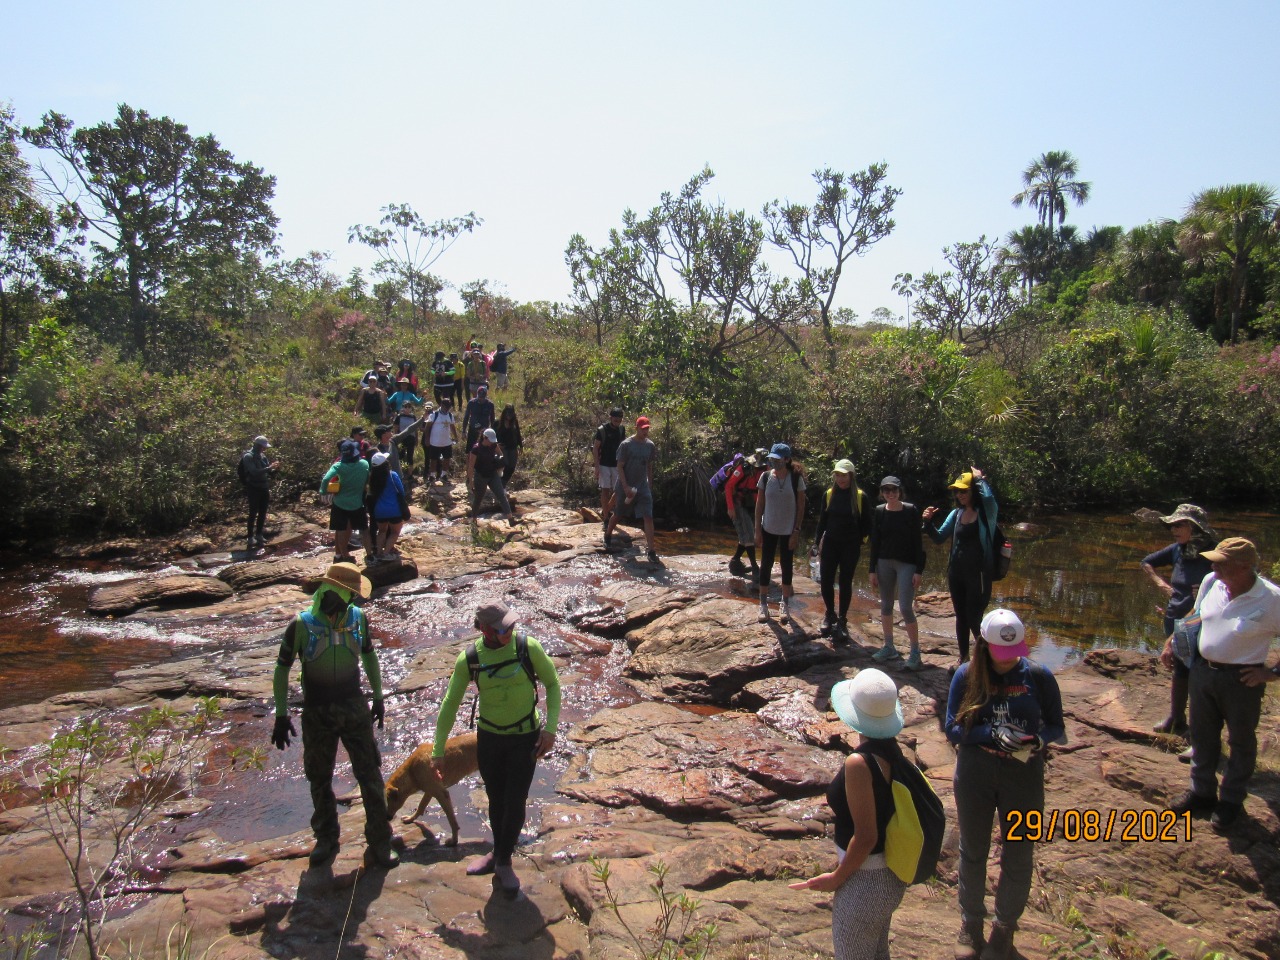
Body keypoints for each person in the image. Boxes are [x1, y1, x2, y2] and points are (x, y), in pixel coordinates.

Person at [946, 609, 1064, 960]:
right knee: (973, 849)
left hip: (1023, 775)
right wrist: (990, 733)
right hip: (975, 773)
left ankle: (1004, 931)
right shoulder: (966, 675)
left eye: (1014, 655)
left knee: (1020, 850)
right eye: (1001, 655)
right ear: (984, 644)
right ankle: (971, 924)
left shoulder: (1039, 676)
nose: (1008, 662)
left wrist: (1037, 741)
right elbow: (952, 727)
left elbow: (1056, 725)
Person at [270, 562, 397, 869]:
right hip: (317, 710)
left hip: (354, 705)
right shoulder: (301, 624)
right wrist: (281, 714)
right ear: (331, 589)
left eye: (354, 594)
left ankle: (380, 841)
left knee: (370, 774)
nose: (353, 599)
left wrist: (378, 697)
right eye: (349, 593)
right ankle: (326, 838)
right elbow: (282, 668)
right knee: (319, 776)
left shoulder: (358, 619)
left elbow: (369, 655)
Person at [431, 601, 561, 893]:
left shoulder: (529, 648)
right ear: (486, 631)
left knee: (515, 801)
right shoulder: (471, 658)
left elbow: (553, 684)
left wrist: (550, 730)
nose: (511, 631)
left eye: (513, 624)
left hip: (525, 737)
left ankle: (503, 860)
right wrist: (438, 751)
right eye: (504, 628)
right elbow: (450, 704)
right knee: (495, 798)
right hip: (489, 739)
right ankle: (498, 852)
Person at [789, 669, 909, 960]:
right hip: (890, 876)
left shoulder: (860, 762)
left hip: (865, 880)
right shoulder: (895, 751)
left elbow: (867, 836)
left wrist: (836, 878)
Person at [1164, 538, 1280, 831]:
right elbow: (1196, 614)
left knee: (1240, 741)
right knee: (1202, 735)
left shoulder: (1271, 598)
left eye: (1220, 562)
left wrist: (1272, 673)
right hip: (1203, 671)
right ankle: (1201, 792)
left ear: (1244, 566)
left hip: (1241, 680)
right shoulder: (1212, 582)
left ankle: (1230, 801)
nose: (1213, 566)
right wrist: (1172, 642)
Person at [1141, 504, 1215, 736]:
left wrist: (1209, 589)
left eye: (1179, 525)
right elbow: (1146, 562)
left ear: (1194, 526)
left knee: (1200, 673)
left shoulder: (1214, 553)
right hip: (1175, 619)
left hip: (1200, 621)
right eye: (1171, 525)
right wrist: (1160, 583)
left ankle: (1200, 726)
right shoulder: (1177, 550)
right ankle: (1176, 719)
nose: (1173, 529)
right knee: (1180, 668)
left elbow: (1237, 576)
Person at [923, 468, 998, 668]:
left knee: (975, 618)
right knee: (961, 617)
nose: (960, 495)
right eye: (957, 491)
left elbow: (989, 500)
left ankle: (988, 661)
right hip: (956, 574)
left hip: (979, 575)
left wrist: (980, 479)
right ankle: (963, 659)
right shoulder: (957, 514)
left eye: (964, 490)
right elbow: (939, 538)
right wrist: (927, 523)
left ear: (973, 490)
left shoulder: (986, 514)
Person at [869, 477, 928, 669]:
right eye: (886, 490)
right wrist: (871, 570)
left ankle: (915, 652)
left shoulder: (910, 510)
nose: (890, 494)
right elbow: (875, 542)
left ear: (899, 491)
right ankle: (889, 647)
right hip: (884, 562)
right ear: (882, 492)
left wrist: (919, 570)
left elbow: (918, 543)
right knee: (885, 605)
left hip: (907, 564)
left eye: (893, 490)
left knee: (905, 607)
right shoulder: (879, 511)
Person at [814, 459, 873, 646]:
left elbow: (867, 524)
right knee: (826, 579)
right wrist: (816, 544)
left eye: (844, 475)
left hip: (850, 546)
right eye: (837, 475)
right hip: (830, 543)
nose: (840, 479)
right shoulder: (829, 494)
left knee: (846, 582)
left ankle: (843, 620)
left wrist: (860, 541)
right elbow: (822, 521)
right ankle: (829, 614)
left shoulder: (860, 496)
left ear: (851, 476)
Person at [754, 443, 806, 624]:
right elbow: (759, 504)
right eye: (772, 459)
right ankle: (763, 604)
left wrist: (796, 531)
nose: (773, 462)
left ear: (786, 459)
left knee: (786, 565)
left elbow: (801, 507)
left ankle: (784, 604)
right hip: (768, 528)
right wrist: (757, 531)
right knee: (766, 564)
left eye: (777, 459)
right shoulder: (766, 476)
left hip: (788, 530)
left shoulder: (795, 479)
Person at [605, 416, 658, 563]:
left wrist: (650, 484)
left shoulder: (650, 445)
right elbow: (620, 466)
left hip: (642, 486)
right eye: (643, 429)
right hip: (625, 485)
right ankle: (608, 535)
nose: (645, 431)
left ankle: (651, 550)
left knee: (648, 516)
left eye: (647, 428)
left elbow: (649, 465)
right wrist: (625, 486)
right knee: (619, 513)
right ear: (637, 428)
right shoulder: (626, 445)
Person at [321, 440, 373, 563]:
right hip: (357, 502)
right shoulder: (364, 464)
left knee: (341, 530)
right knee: (364, 529)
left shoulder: (338, 466)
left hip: (340, 503)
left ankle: (343, 556)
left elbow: (326, 479)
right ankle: (370, 554)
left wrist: (323, 492)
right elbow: (368, 479)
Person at [726, 449, 768, 578]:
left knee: (746, 534)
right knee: (749, 534)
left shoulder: (767, 468)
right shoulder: (743, 468)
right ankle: (755, 567)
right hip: (738, 503)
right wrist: (730, 508)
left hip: (752, 505)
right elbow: (728, 486)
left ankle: (735, 561)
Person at [367, 451, 410, 560]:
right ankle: (386, 553)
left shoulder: (372, 477)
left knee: (381, 531)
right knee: (395, 532)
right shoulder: (392, 475)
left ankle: (378, 552)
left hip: (379, 510)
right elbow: (401, 491)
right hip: (394, 509)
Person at [239, 435, 278, 550]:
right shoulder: (248, 457)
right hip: (253, 487)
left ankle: (259, 534)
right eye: (263, 446)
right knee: (253, 512)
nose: (264, 449)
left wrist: (274, 469)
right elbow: (254, 472)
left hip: (264, 487)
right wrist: (269, 468)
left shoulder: (262, 456)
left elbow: (268, 472)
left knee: (263, 511)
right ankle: (250, 536)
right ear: (257, 445)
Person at [467, 428, 514, 522]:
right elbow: (471, 467)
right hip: (480, 476)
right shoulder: (476, 449)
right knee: (478, 499)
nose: (492, 443)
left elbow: (500, 454)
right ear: (485, 438)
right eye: (490, 441)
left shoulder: (493, 445)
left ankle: (511, 519)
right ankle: (473, 519)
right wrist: (470, 482)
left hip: (493, 474)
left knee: (501, 495)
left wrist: (498, 460)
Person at [593, 408, 626, 531]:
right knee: (605, 490)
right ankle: (606, 518)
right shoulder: (602, 430)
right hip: (604, 464)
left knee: (618, 491)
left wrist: (625, 464)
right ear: (611, 417)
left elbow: (623, 446)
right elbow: (596, 448)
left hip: (617, 465)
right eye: (615, 418)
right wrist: (596, 466)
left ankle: (605, 509)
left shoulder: (622, 429)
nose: (617, 421)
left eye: (619, 419)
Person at [425, 398, 459, 483]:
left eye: (449, 407)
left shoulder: (450, 415)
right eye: (446, 406)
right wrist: (427, 439)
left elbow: (452, 427)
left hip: (446, 442)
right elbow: (427, 428)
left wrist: (455, 436)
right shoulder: (434, 415)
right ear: (442, 405)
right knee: (433, 459)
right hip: (435, 442)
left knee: (447, 458)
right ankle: (432, 475)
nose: (447, 408)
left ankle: (443, 475)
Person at [495, 404, 523, 485]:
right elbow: (493, 435)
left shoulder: (514, 422)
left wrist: (520, 446)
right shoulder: (497, 422)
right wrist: (496, 444)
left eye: (511, 414)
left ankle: (503, 483)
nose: (509, 416)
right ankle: (500, 483)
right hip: (503, 447)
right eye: (507, 414)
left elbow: (518, 434)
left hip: (513, 447)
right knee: (505, 465)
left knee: (512, 466)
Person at [462, 384, 496, 451]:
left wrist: (493, 430)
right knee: (470, 449)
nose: (480, 399)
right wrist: (463, 431)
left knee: (483, 450)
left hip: (485, 431)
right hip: (473, 429)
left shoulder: (490, 405)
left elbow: (492, 418)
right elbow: (466, 417)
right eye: (479, 397)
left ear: (486, 396)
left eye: (482, 398)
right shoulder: (471, 403)